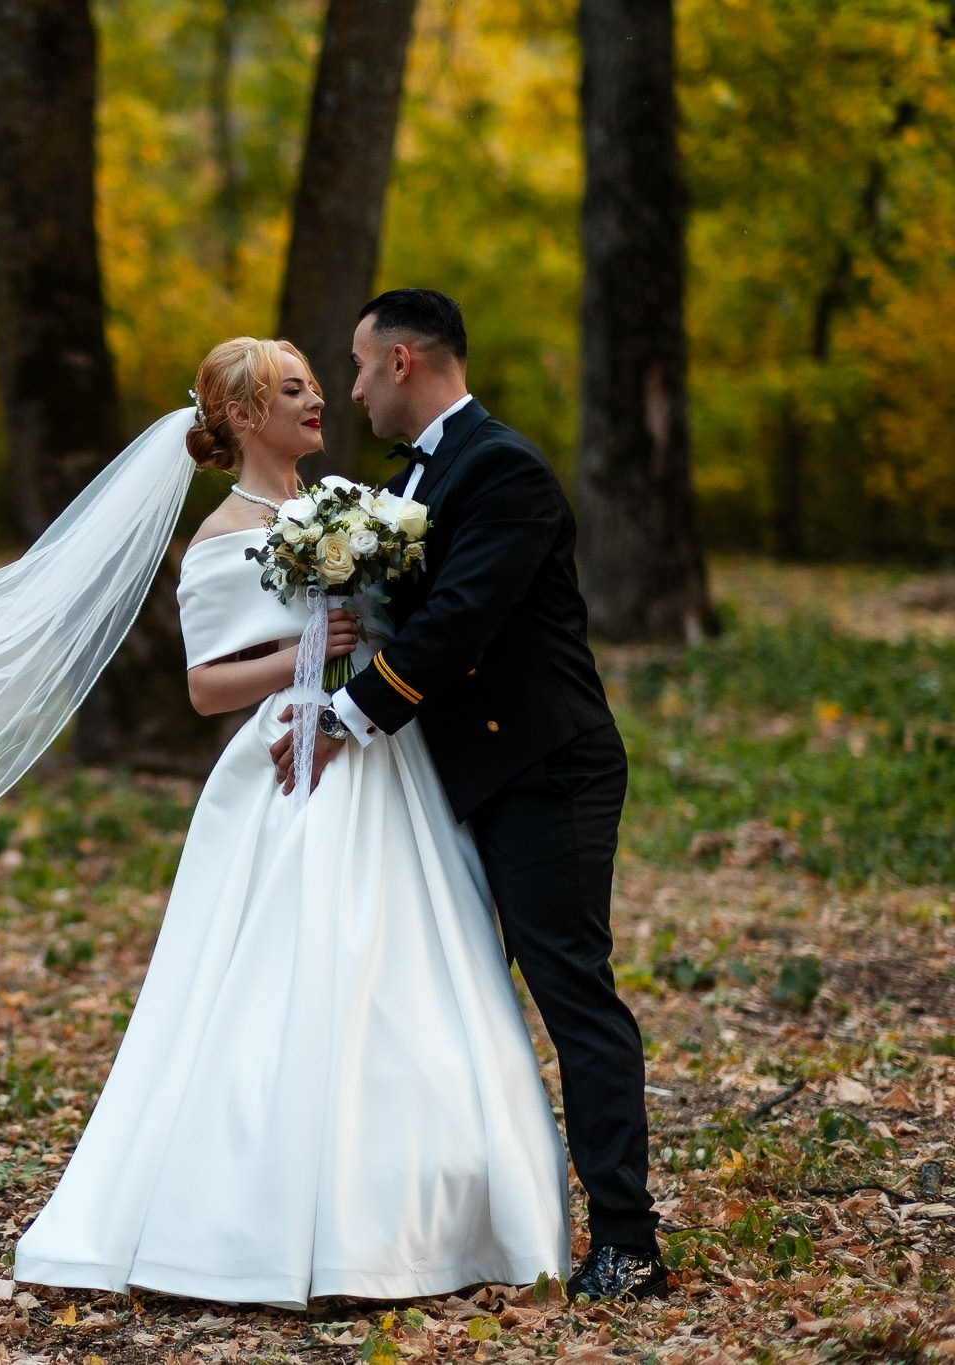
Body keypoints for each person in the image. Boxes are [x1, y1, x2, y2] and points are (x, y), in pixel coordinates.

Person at [9, 336, 572, 1308]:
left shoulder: (349, 507)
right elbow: (200, 687)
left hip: (375, 749)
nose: (316, 399)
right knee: (290, 971)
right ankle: (249, 1222)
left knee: (396, 975)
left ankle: (413, 1219)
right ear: (237, 416)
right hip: (287, 755)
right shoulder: (223, 537)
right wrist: (306, 651)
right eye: (290, 389)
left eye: (315, 382)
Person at [269, 289, 664, 1302]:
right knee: (445, 1000)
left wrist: (338, 720)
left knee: (569, 992)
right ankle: (451, 1231)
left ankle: (626, 1243)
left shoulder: (501, 471)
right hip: (458, 773)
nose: (348, 388)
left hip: (541, 772)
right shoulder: (417, 473)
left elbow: (456, 626)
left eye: (357, 367)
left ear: (402, 362)